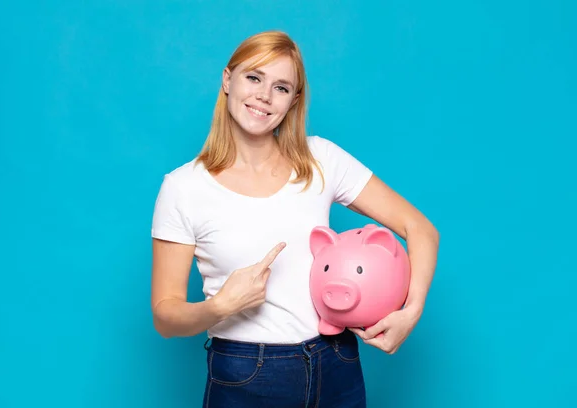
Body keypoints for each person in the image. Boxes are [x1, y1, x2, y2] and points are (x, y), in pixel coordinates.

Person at [150, 30, 439, 408]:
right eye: (254, 77)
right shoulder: (183, 187)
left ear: (294, 100)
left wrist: (410, 312)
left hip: (336, 361)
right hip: (246, 374)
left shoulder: (321, 159)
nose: (264, 96)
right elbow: (165, 316)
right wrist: (220, 306)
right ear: (227, 79)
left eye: (281, 87)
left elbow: (419, 229)